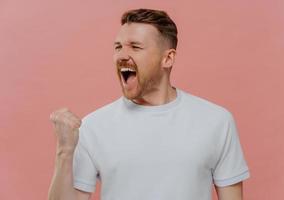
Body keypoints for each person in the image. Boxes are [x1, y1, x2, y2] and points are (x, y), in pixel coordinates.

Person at [48, 8, 250, 200]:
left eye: (135, 47)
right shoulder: (92, 126)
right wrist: (64, 151)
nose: (122, 56)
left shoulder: (216, 121)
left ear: (168, 58)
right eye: (118, 47)